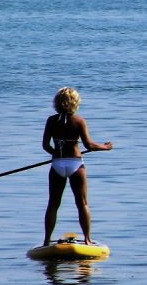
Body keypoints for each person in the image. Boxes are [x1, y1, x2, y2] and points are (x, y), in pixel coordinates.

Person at [41, 87, 112, 246]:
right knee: (82, 203)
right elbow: (90, 145)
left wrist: (56, 154)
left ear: (57, 102)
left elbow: (45, 145)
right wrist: (106, 147)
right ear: (74, 102)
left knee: (53, 203)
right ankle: (87, 239)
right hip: (75, 164)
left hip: (57, 164)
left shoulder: (51, 121)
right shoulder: (79, 121)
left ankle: (46, 240)